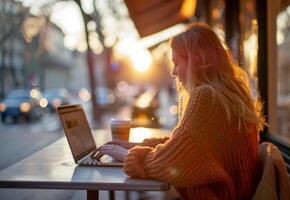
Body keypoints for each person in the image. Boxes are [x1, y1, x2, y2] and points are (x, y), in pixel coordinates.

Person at [92, 22, 265, 200]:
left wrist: (127, 155)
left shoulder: (206, 96)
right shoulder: (230, 96)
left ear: (196, 61)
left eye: (176, 63)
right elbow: (189, 146)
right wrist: (135, 146)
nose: (173, 72)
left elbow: (172, 161)